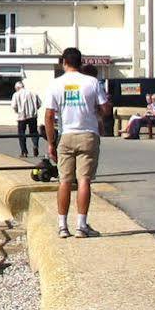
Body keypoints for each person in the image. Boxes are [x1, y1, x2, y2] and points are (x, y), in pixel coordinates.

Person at [42, 46, 107, 239]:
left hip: (66, 135)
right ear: (81, 62)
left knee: (64, 181)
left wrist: (51, 142)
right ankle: (81, 225)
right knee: (84, 180)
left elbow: (49, 115)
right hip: (88, 134)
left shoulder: (55, 84)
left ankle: (62, 226)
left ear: (64, 62)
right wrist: (97, 111)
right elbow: (106, 109)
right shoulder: (92, 82)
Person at [11, 81, 42, 158]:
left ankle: (24, 152)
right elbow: (39, 104)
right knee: (34, 132)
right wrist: (34, 110)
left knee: (21, 133)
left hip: (22, 117)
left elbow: (14, 106)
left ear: (17, 88)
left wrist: (18, 111)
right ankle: (35, 145)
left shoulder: (16, 94)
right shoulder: (33, 93)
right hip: (33, 116)